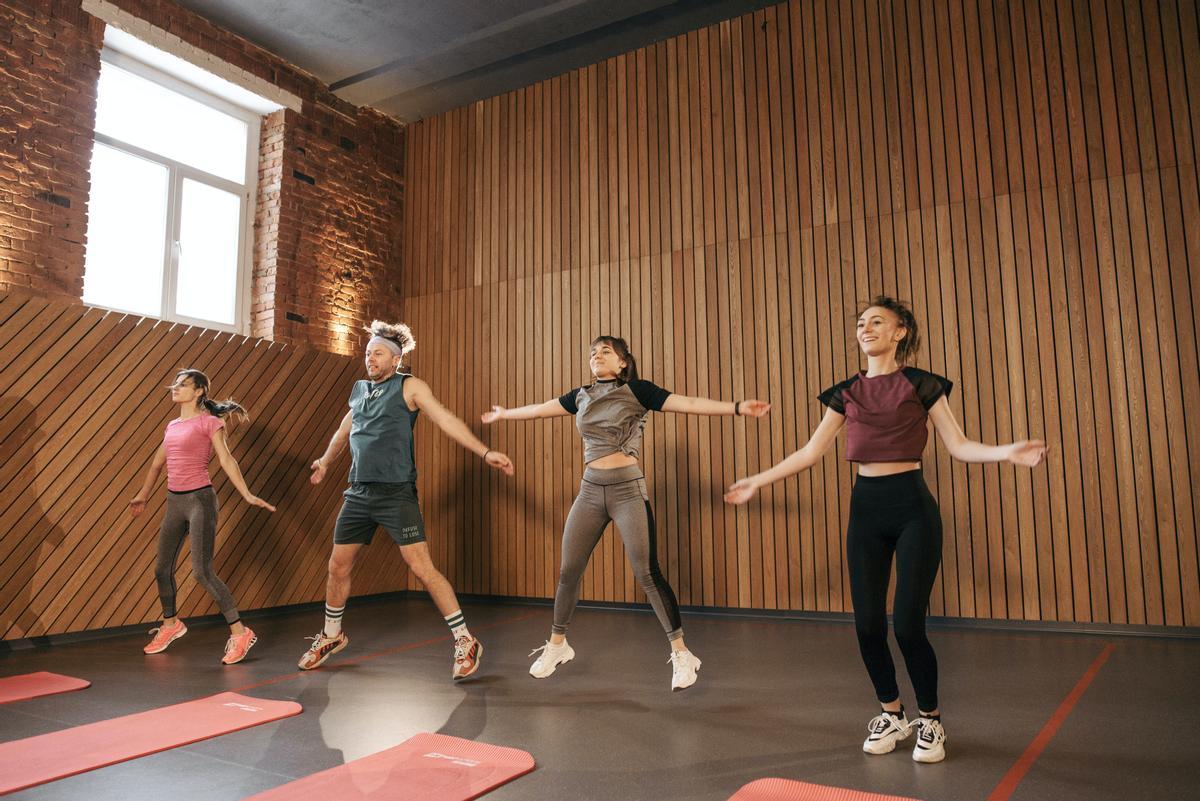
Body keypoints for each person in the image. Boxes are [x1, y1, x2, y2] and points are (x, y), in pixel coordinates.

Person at [725, 296, 1048, 762]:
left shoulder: (922, 384)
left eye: (877, 321)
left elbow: (958, 446)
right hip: (866, 510)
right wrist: (757, 479)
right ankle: (893, 714)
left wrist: (1006, 452)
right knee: (868, 626)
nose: (866, 327)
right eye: (860, 322)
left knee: (910, 625)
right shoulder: (845, 392)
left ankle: (931, 722)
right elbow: (810, 452)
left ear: (900, 333)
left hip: (913, 507)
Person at [483, 335, 769, 691]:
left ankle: (682, 653)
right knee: (568, 570)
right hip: (589, 491)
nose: (597, 356)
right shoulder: (580, 396)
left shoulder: (638, 391)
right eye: (592, 353)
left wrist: (738, 407)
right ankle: (558, 644)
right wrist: (505, 413)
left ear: (622, 362)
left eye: (605, 351)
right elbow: (541, 408)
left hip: (626, 490)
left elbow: (689, 402)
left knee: (647, 574)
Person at [300, 320, 514, 680]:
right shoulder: (359, 390)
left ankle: (465, 640)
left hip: (395, 492)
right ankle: (332, 637)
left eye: (378, 353)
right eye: (367, 353)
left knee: (422, 568)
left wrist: (484, 451)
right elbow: (343, 431)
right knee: (337, 566)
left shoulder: (409, 386)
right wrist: (325, 460)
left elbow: (445, 419)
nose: (370, 358)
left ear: (396, 358)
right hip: (358, 492)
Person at [129, 369, 276, 665]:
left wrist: (246, 494)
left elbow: (226, 458)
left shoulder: (210, 422)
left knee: (201, 571)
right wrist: (143, 494)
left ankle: (240, 632)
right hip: (174, 501)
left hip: (200, 500)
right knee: (161, 570)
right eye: (175, 383)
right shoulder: (171, 425)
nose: (175, 388)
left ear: (199, 391)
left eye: (183, 385)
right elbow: (158, 463)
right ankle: (171, 625)